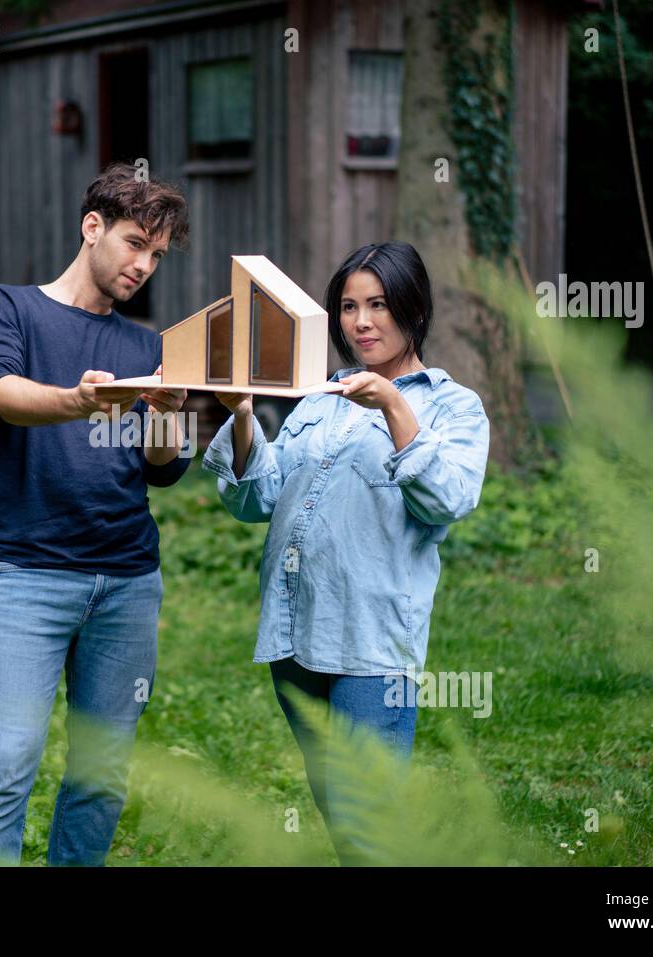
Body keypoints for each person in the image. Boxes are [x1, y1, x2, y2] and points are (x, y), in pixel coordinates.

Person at [201, 241, 490, 863]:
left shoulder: (451, 405)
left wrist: (392, 404)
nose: (360, 322)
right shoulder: (319, 398)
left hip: (370, 647)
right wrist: (245, 418)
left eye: (379, 305)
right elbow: (257, 500)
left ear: (413, 309)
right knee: (343, 819)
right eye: (349, 306)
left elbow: (447, 500)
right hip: (296, 640)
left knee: (371, 830)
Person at [0, 163, 191, 866]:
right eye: (133, 243)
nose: (143, 265)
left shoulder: (147, 347)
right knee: (3, 761)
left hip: (126, 581)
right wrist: (79, 400)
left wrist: (168, 420)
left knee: (101, 774)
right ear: (92, 228)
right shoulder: (7, 307)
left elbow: (166, 469)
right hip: (26, 573)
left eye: (156, 254)